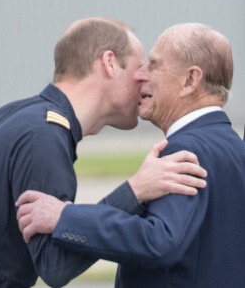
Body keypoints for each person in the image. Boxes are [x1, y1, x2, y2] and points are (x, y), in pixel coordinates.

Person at [0, 18, 206, 288]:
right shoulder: (44, 136)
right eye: (140, 68)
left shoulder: (14, 117)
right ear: (109, 63)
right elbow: (55, 265)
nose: (144, 80)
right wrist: (134, 192)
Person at [17, 23, 245, 288]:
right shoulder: (234, 149)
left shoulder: (185, 150)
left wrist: (65, 217)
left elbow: (159, 240)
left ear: (190, 80)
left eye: (154, 65)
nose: (141, 75)